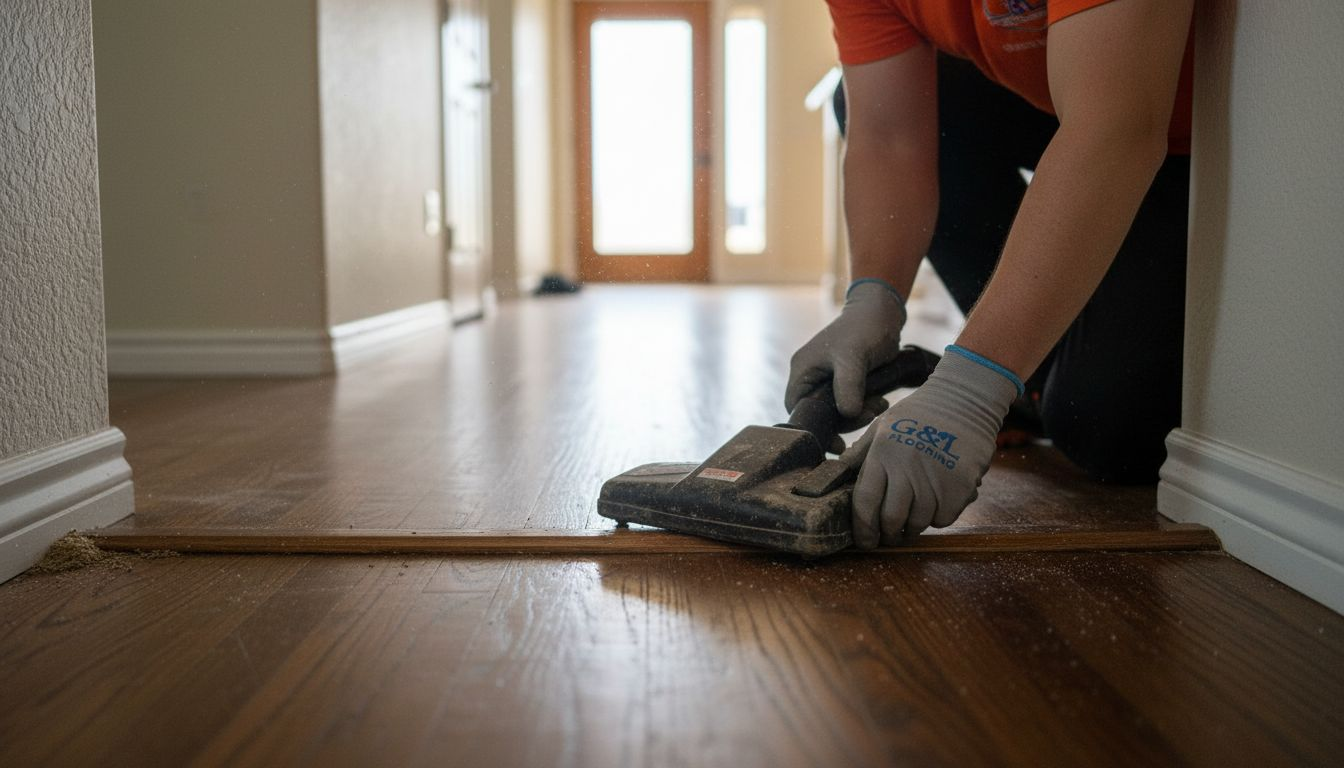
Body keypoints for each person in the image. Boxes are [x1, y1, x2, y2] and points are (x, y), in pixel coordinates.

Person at [786, 0, 1195, 548]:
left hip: (1185, 134)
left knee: (1111, 436)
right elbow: (890, 138)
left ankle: (1008, 374)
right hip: (1065, 101)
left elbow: (1117, 127)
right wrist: (872, 298)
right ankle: (1030, 377)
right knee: (900, 99)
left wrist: (969, 390)